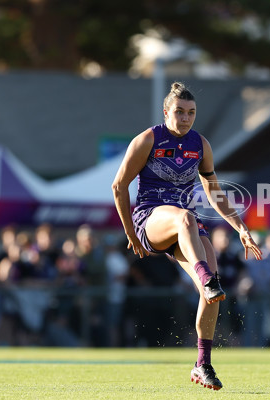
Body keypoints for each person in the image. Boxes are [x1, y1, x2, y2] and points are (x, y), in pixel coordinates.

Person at [112, 82, 262, 391]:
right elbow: (118, 186)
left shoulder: (200, 144)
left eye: (191, 113)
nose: (185, 118)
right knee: (187, 223)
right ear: (166, 111)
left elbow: (214, 192)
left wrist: (241, 227)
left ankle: (202, 364)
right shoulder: (148, 140)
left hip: (187, 227)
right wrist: (130, 232)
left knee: (213, 295)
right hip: (152, 218)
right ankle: (205, 276)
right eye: (179, 112)